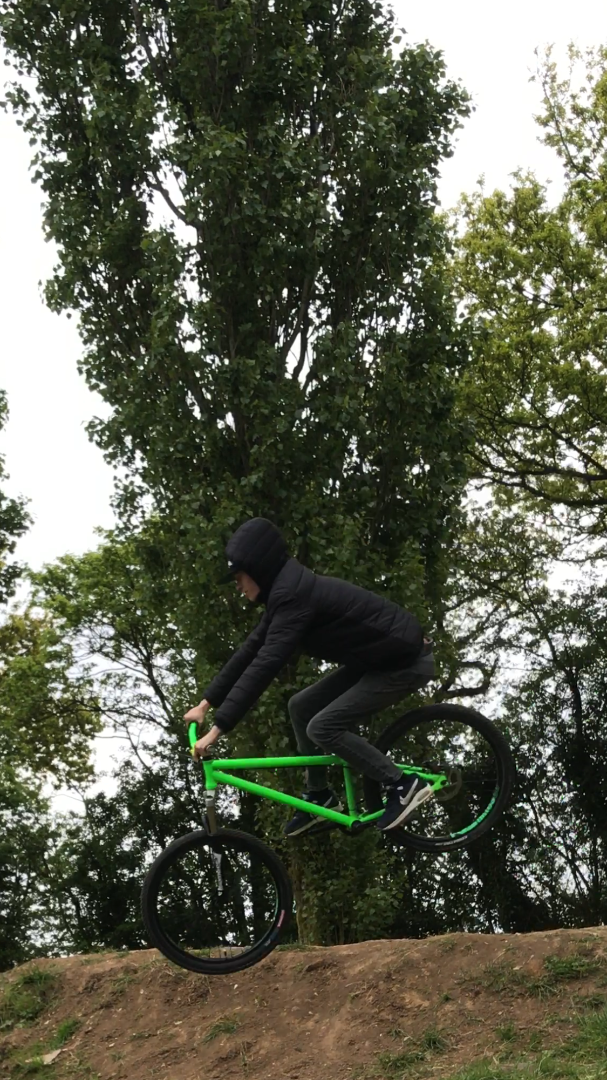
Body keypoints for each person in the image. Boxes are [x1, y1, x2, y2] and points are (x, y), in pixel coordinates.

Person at [185, 517, 436, 835]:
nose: (238, 586)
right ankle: (320, 795)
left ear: (259, 569)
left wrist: (217, 730)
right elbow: (248, 653)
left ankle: (403, 783)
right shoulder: (284, 597)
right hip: (377, 661)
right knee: (300, 706)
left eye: (239, 577)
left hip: (404, 662)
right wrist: (205, 704)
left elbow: (265, 665)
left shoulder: (294, 598)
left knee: (322, 727)